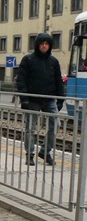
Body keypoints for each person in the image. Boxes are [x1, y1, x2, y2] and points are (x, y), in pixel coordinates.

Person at [16, 33, 65, 166]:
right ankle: (30, 154)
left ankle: (45, 151)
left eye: (47, 43)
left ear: (50, 46)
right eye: (42, 43)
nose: (44, 46)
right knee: (30, 128)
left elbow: (58, 80)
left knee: (56, 125)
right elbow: (21, 80)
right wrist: (24, 99)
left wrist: (61, 99)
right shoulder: (28, 59)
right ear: (37, 45)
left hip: (49, 98)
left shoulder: (53, 61)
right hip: (32, 99)